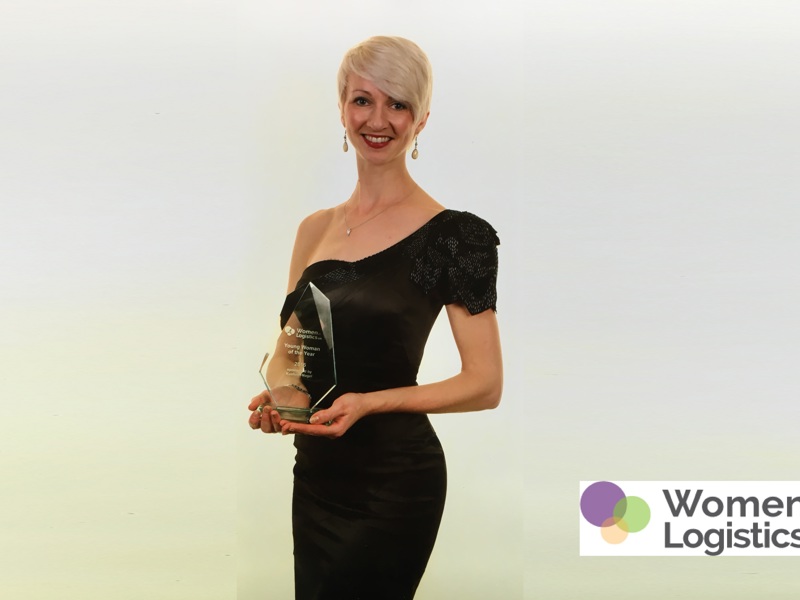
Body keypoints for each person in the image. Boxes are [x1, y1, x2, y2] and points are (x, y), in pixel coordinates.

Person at [248, 35, 502, 600]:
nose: (378, 119)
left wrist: (371, 401)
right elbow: (294, 353)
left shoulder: (458, 237)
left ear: (422, 118)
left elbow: (484, 384)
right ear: (342, 109)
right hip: (316, 472)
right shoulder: (312, 229)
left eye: (399, 103)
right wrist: (284, 401)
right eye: (363, 100)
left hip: (394, 482)